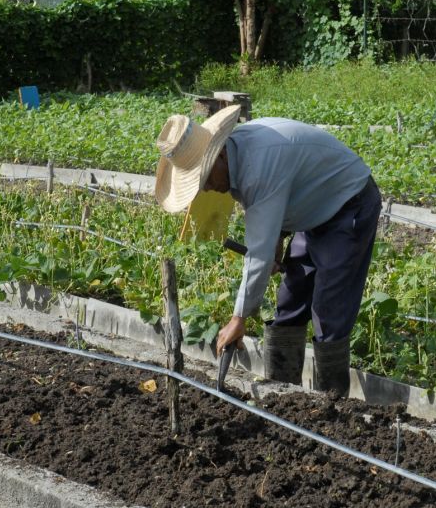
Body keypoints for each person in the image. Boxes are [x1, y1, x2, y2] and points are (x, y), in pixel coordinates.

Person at [154, 106, 381, 396]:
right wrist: (278, 237)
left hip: (349, 203)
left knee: (329, 310)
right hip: (313, 205)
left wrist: (239, 318)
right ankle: (282, 394)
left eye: (206, 178)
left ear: (220, 155)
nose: (208, 189)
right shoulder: (240, 156)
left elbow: (258, 254)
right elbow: (288, 186)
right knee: (290, 301)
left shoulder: (257, 166)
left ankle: (331, 405)